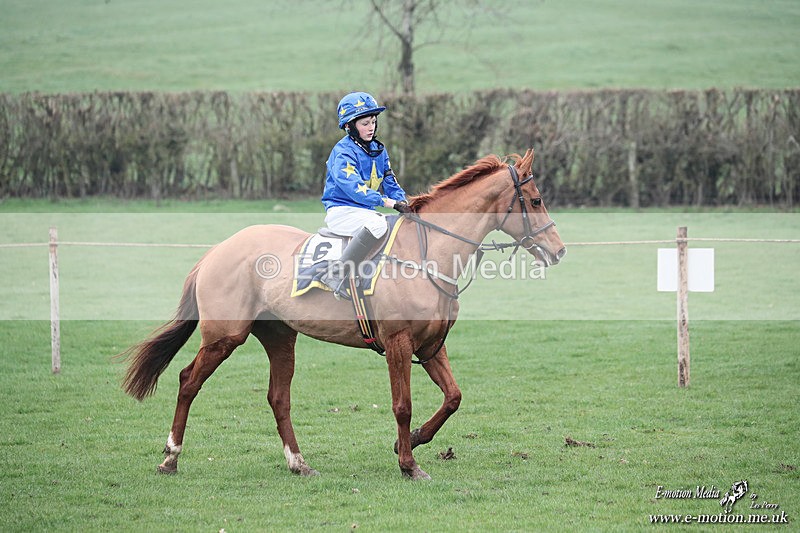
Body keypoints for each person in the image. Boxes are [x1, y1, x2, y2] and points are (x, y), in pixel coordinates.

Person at [320, 91, 411, 299]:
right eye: (364, 123)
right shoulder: (343, 152)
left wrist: (405, 202)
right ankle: (337, 275)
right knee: (380, 224)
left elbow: (390, 182)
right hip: (341, 211)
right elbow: (355, 189)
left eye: (373, 122)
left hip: (364, 212)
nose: (371, 127)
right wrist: (388, 202)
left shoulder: (378, 150)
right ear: (349, 127)